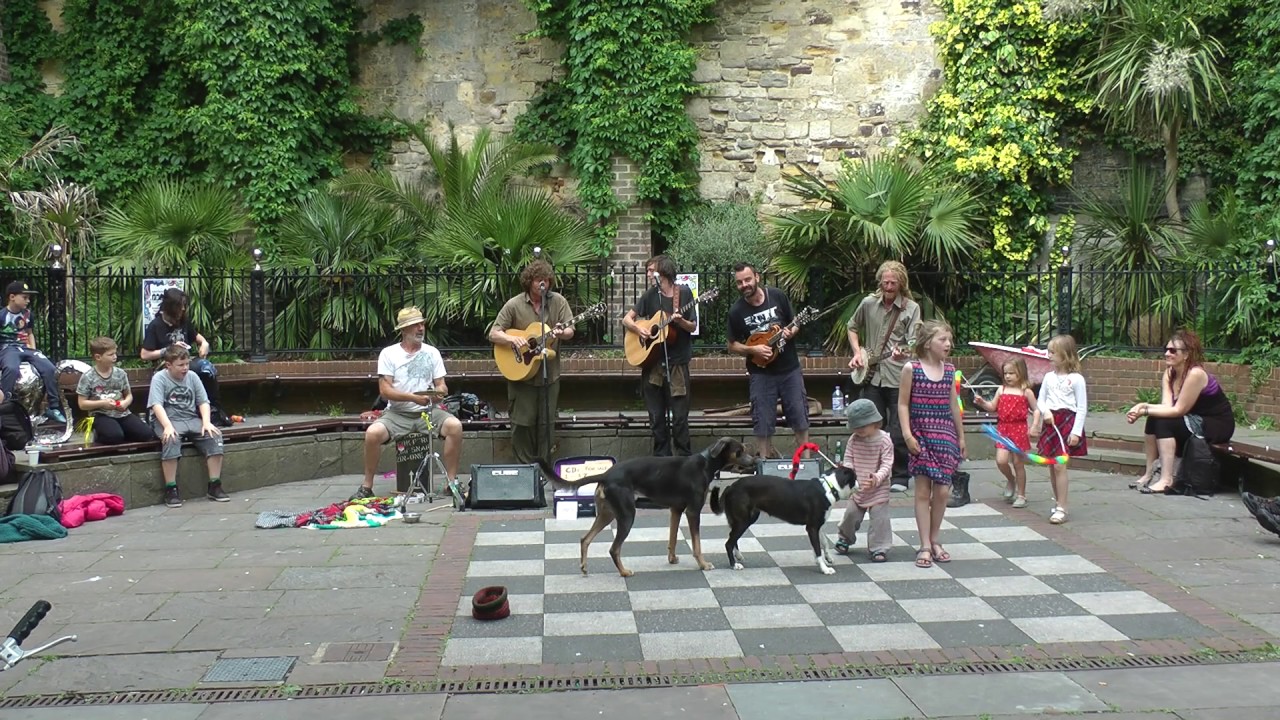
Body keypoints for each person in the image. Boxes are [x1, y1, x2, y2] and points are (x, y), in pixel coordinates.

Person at [351, 306, 463, 500]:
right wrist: (413, 397)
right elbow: (385, 391)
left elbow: (442, 385)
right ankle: (367, 486)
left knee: (455, 426)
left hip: (428, 411)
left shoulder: (432, 353)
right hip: (397, 413)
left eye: (422, 324)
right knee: (372, 434)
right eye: (415, 325)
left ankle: (451, 482)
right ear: (403, 330)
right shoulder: (389, 353)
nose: (421, 328)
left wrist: (439, 394)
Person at [1126, 328, 1235, 494]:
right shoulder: (1170, 373)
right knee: (1154, 419)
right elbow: (1167, 406)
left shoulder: (1195, 374)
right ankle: (1149, 473)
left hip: (1216, 423)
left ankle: (1166, 479)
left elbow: (1178, 410)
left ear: (1186, 355)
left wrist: (1146, 409)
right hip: (1192, 418)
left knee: (1164, 423)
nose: (1167, 354)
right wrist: (1142, 406)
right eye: (1166, 349)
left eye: (1173, 351)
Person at [488, 260, 574, 464]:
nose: (542, 284)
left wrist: (563, 332)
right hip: (521, 376)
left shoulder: (558, 302)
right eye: (538, 280)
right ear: (529, 282)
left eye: (546, 280)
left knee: (546, 424)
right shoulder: (514, 305)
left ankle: (543, 468)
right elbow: (493, 333)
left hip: (549, 375)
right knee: (522, 424)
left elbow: (570, 331)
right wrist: (512, 339)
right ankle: (525, 470)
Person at [847, 261, 921, 491]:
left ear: (901, 283)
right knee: (870, 424)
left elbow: (915, 342)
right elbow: (852, 326)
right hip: (871, 375)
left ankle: (900, 475)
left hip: (899, 375)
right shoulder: (868, 303)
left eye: (893, 282)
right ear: (880, 281)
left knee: (898, 428)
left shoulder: (911, 308)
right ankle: (871, 472)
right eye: (885, 282)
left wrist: (905, 352)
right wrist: (858, 351)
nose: (889, 287)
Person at [899, 320, 965, 569]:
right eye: (943, 340)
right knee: (922, 491)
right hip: (921, 434)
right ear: (928, 344)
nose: (948, 344)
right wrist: (907, 434)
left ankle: (935, 538)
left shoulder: (949, 370)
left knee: (943, 490)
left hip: (944, 434)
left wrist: (960, 436)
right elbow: (903, 404)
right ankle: (925, 544)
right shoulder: (911, 368)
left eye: (949, 340)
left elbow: (953, 405)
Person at [726, 262, 810, 459]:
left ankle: (806, 464)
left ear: (757, 277)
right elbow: (732, 345)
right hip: (761, 373)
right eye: (739, 282)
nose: (744, 285)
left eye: (747, 279)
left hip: (789, 369)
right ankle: (764, 464)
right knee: (763, 421)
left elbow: (795, 322)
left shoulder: (777, 296)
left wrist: (791, 332)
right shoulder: (736, 312)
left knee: (799, 416)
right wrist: (752, 349)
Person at [622, 254, 695, 456]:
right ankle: (662, 462)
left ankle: (682, 462)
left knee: (680, 418)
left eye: (650, 270)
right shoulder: (650, 295)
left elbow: (693, 326)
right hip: (653, 364)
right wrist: (638, 329)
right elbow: (626, 319)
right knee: (656, 417)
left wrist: (680, 322)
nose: (647, 274)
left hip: (677, 365)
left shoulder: (685, 294)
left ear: (663, 271)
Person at [147, 345, 228, 507]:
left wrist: (206, 422)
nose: (185, 368)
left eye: (187, 364)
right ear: (168, 365)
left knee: (214, 436)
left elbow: (203, 401)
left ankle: (214, 484)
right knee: (171, 439)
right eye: (180, 365)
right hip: (168, 419)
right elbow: (156, 405)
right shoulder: (159, 378)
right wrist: (168, 426)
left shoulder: (192, 376)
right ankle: (171, 488)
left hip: (190, 418)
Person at [140, 288, 231, 427]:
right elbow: (144, 354)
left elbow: (197, 337)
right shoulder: (156, 325)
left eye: (184, 305)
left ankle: (215, 410)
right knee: (199, 368)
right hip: (167, 365)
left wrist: (204, 343)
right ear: (170, 307)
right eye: (179, 306)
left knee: (207, 370)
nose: (183, 309)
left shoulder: (184, 321)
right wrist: (167, 350)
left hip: (186, 362)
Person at [1031, 334, 1088, 524]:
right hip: (1051, 423)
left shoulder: (1077, 379)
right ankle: (1058, 503)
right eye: (1049, 351)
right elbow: (1041, 400)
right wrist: (1045, 412)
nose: (1049, 355)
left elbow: (1081, 407)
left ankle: (1062, 507)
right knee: (1052, 466)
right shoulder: (1048, 377)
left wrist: (1076, 432)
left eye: (1053, 352)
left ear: (1065, 355)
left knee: (1059, 465)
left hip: (1067, 422)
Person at [972, 357, 1041, 508]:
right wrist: (983, 402)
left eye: (1012, 373)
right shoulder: (1001, 390)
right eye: (1005, 373)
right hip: (1003, 429)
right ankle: (1011, 480)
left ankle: (1021, 495)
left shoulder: (1026, 392)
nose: (1008, 376)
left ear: (1021, 373)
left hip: (1019, 429)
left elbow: (1036, 409)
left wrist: (1035, 425)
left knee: (1018, 463)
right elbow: (992, 407)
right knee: (1001, 461)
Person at [834, 398, 894, 562]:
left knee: (879, 520)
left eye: (863, 426)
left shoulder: (884, 440)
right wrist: (847, 470)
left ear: (875, 422)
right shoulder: (854, 439)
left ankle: (879, 548)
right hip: (858, 487)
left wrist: (877, 477)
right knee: (851, 515)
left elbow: (887, 463)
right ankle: (844, 538)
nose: (858, 430)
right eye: (856, 426)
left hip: (878, 488)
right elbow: (849, 458)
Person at [0, 280, 67, 423]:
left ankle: (53, 407)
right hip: (8, 348)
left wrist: (33, 349)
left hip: (25, 347)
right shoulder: (2, 315)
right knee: (11, 368)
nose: (28, 301)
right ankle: (4, 404)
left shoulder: (28, 314)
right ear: (12, 297)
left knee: (49, 368)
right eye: (24, 297)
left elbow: (29, 333)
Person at [76, 336, 152, 445]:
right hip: (100, 415)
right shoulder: (88, 377)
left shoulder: (120, 374)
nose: (115, 357)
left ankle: (121, 431)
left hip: (122, 413)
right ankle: (102, 433)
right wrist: (102, 403)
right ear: (98, 357)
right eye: (110, 355)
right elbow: (82, 404)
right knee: (114, 436)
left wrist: (125, 403)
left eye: (115, 353)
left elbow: (128, 395)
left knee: (146, 434)